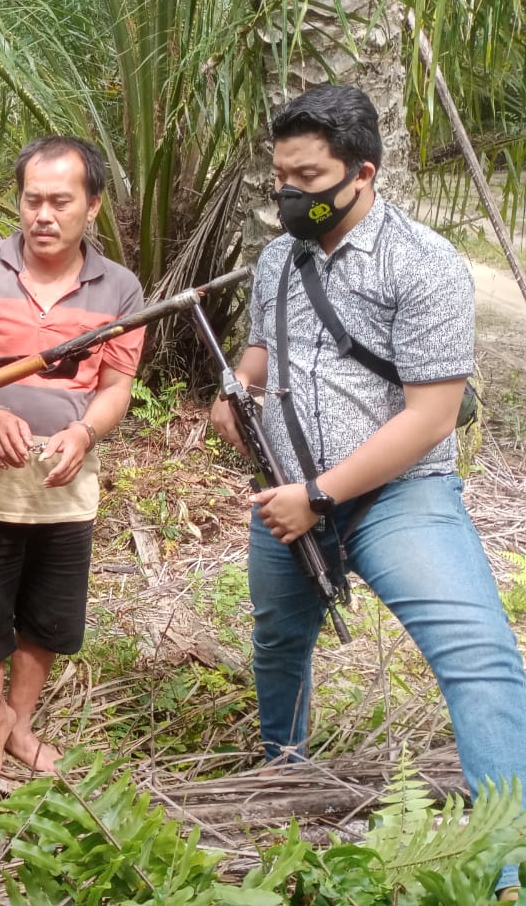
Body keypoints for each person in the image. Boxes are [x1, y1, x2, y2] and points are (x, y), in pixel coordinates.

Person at [210, 84, 526, 901]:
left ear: (363, 173)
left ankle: (509, 864)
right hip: (289, 496)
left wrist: (318, 496)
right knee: (280, 643)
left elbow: (431, 416)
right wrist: (234, 393)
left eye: (308, 178)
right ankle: (284, 778)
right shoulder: (279, 258)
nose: (289, 194)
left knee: (480, 659)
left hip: (399, 498)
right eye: (281, 176)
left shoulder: (424, 264)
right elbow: (263, 358)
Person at [0, 136, 144, 775]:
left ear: (93, 205)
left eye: (61, 201)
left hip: (65, 490)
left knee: (49, 617)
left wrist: (83, 433)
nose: (43, 216)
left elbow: (116, 387)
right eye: (32, 201)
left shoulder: (120, 290)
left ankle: (18, 724)